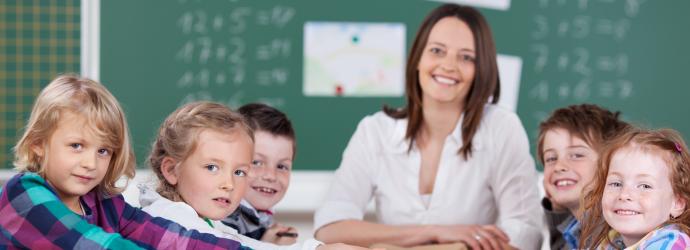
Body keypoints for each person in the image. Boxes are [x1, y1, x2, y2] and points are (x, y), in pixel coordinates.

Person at [313, 3, 541, 250]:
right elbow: (329, 228)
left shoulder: (501, 128)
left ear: (481, 69)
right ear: (418, 58)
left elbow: (525, 235)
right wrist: (435, 234)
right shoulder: (375, 131)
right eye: (437, 50)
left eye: (466, 57)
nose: (449, 65)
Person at [0, 74, 249, 249]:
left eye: (104, 151)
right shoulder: (23, 194)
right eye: (76, 146)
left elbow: (173, 240)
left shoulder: (104, 204)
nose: (90, 163)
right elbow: (96, 245)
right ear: (38, 144)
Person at [139, 101, 372, 250]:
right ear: (171, 170)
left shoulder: (208, 221)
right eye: (212, 167)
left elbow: (241, 243)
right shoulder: (166, 218)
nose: (228, 183)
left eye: (239, 172)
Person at [537, 104, 629, 249]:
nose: (559, 166)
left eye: (577, 155)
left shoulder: (618, 235)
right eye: (551, 158)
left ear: (611, 164)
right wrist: (557, 211)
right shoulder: (578, 230)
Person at [579, 128, 690, 249]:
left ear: (677, 204)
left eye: (645, 186)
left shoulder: (671, 243)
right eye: (616, 184)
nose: (624, 195)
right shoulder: (612, 241)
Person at [222, 103, 299, 245]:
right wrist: (268, 246)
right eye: (257, 163)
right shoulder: (224, 218)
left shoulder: (260, 217)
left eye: (282, 166)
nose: (271, 175)